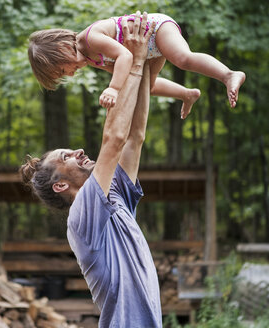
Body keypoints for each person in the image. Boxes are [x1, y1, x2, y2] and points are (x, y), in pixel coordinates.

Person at [20, 12, 162, 327]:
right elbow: (114, 140)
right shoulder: (83, 214)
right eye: (66, 156)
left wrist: (150, 60)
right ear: (60, 185)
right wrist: (135, 63)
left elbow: (134, 138)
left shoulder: (112, 195)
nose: (79, 151)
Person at [28, 12, 246, 118]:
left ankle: (228, 75)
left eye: (63, 70)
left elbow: (124, 56)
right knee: (146, 86)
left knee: (183, 59)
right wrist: (121, 88)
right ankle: (186, 94)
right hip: (147, 50)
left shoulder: (91, 38)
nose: (71, 74)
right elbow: (119, 70)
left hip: (155, 29)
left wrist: (113, 88)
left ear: (62, 50)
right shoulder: (91, 58)